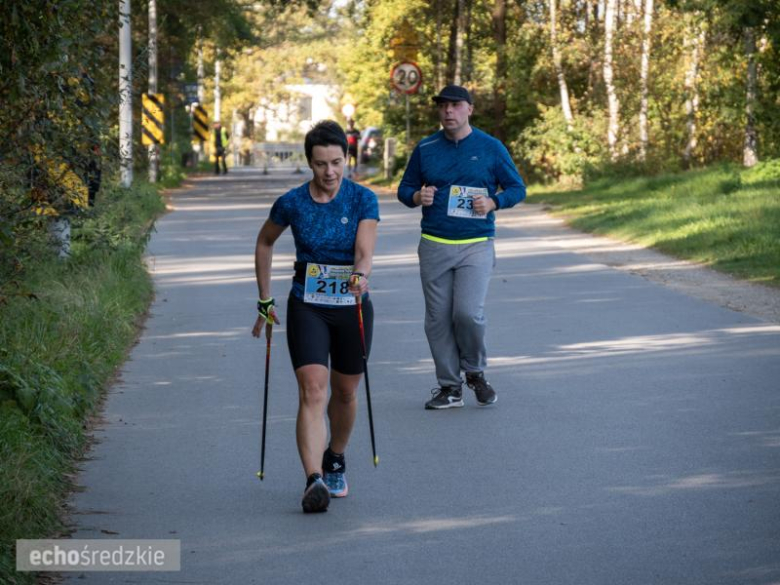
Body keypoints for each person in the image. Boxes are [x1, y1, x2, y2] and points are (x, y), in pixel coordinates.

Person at [252, 120, 380, 513]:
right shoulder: (291, 202)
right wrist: (265, 300)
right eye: (321, 164)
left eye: (337, 162)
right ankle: (313, 479)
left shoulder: (362, 199)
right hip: (306, 303)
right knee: (312, 390)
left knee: (344, 392)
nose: (330, 172)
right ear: (309, 162)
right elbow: (265, 241)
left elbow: (364, 251)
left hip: (352, 306)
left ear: (347, 159)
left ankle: (335, 457)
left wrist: (360, 274)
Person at [397, 85, 526, 410]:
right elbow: (405, 188)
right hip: (435, 244)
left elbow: (517, 188)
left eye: (455, 106)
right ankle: (450, 387)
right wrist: (416, 197)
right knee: (437, 319)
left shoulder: (490, 147)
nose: (448, 112)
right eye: (443, 107)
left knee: (468, 313)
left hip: (475, 244)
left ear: (469, 108)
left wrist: (494, 201)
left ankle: (475, 371)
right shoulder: (426, 148)